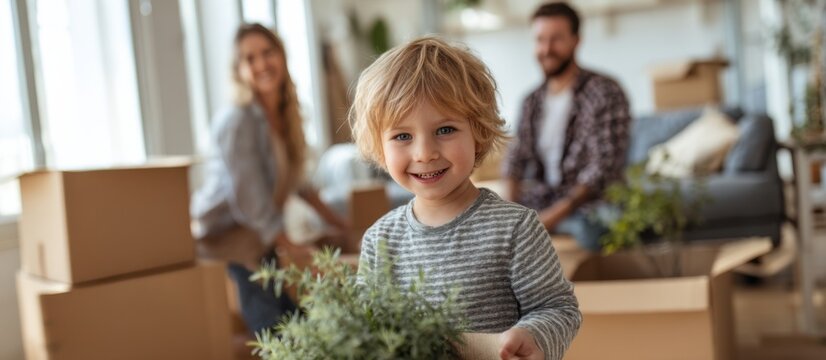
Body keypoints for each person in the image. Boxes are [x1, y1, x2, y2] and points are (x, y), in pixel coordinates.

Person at [349, 36, 581, 360]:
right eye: (402, 136)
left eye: (445, 130)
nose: (425, 153)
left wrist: (533, 335)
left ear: (478, 132)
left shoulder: (515, 228)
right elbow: (366, 330)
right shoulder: (380, 240)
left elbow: (558, 308)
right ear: (379, 147)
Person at [190, 23, 349, 334]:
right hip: (229, 237)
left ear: (282, 55)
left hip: (259, 236)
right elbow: (249, 199)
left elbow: (298, 182)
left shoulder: (285, 114)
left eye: (267, 52)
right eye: (250, 58)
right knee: (275, 326)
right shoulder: (238, 120)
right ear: (239, 70)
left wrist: (340, 224)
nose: (261, 64)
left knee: (295, 320)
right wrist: (292, 245)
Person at [503, 2, 631, 252]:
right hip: (545, 199)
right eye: (540, 40)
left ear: (576, 41)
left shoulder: (604, 92)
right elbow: (514, 160)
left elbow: (601, 169)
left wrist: (547, 220)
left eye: (556, 39)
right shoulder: (531, 101)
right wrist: (508, 214)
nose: (547, 49)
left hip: (590, 204)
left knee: (591, 229)